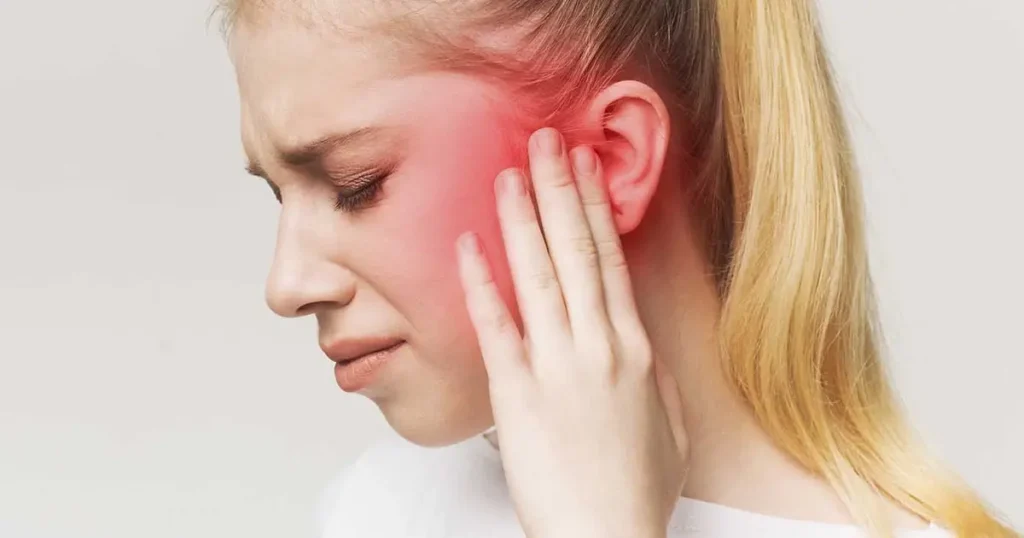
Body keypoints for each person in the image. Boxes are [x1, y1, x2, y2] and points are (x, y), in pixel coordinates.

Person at [213, 0, 1018, 536]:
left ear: (609, 158)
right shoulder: (384, 510)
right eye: (279, 194)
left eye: (356, 187)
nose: (286, 286)